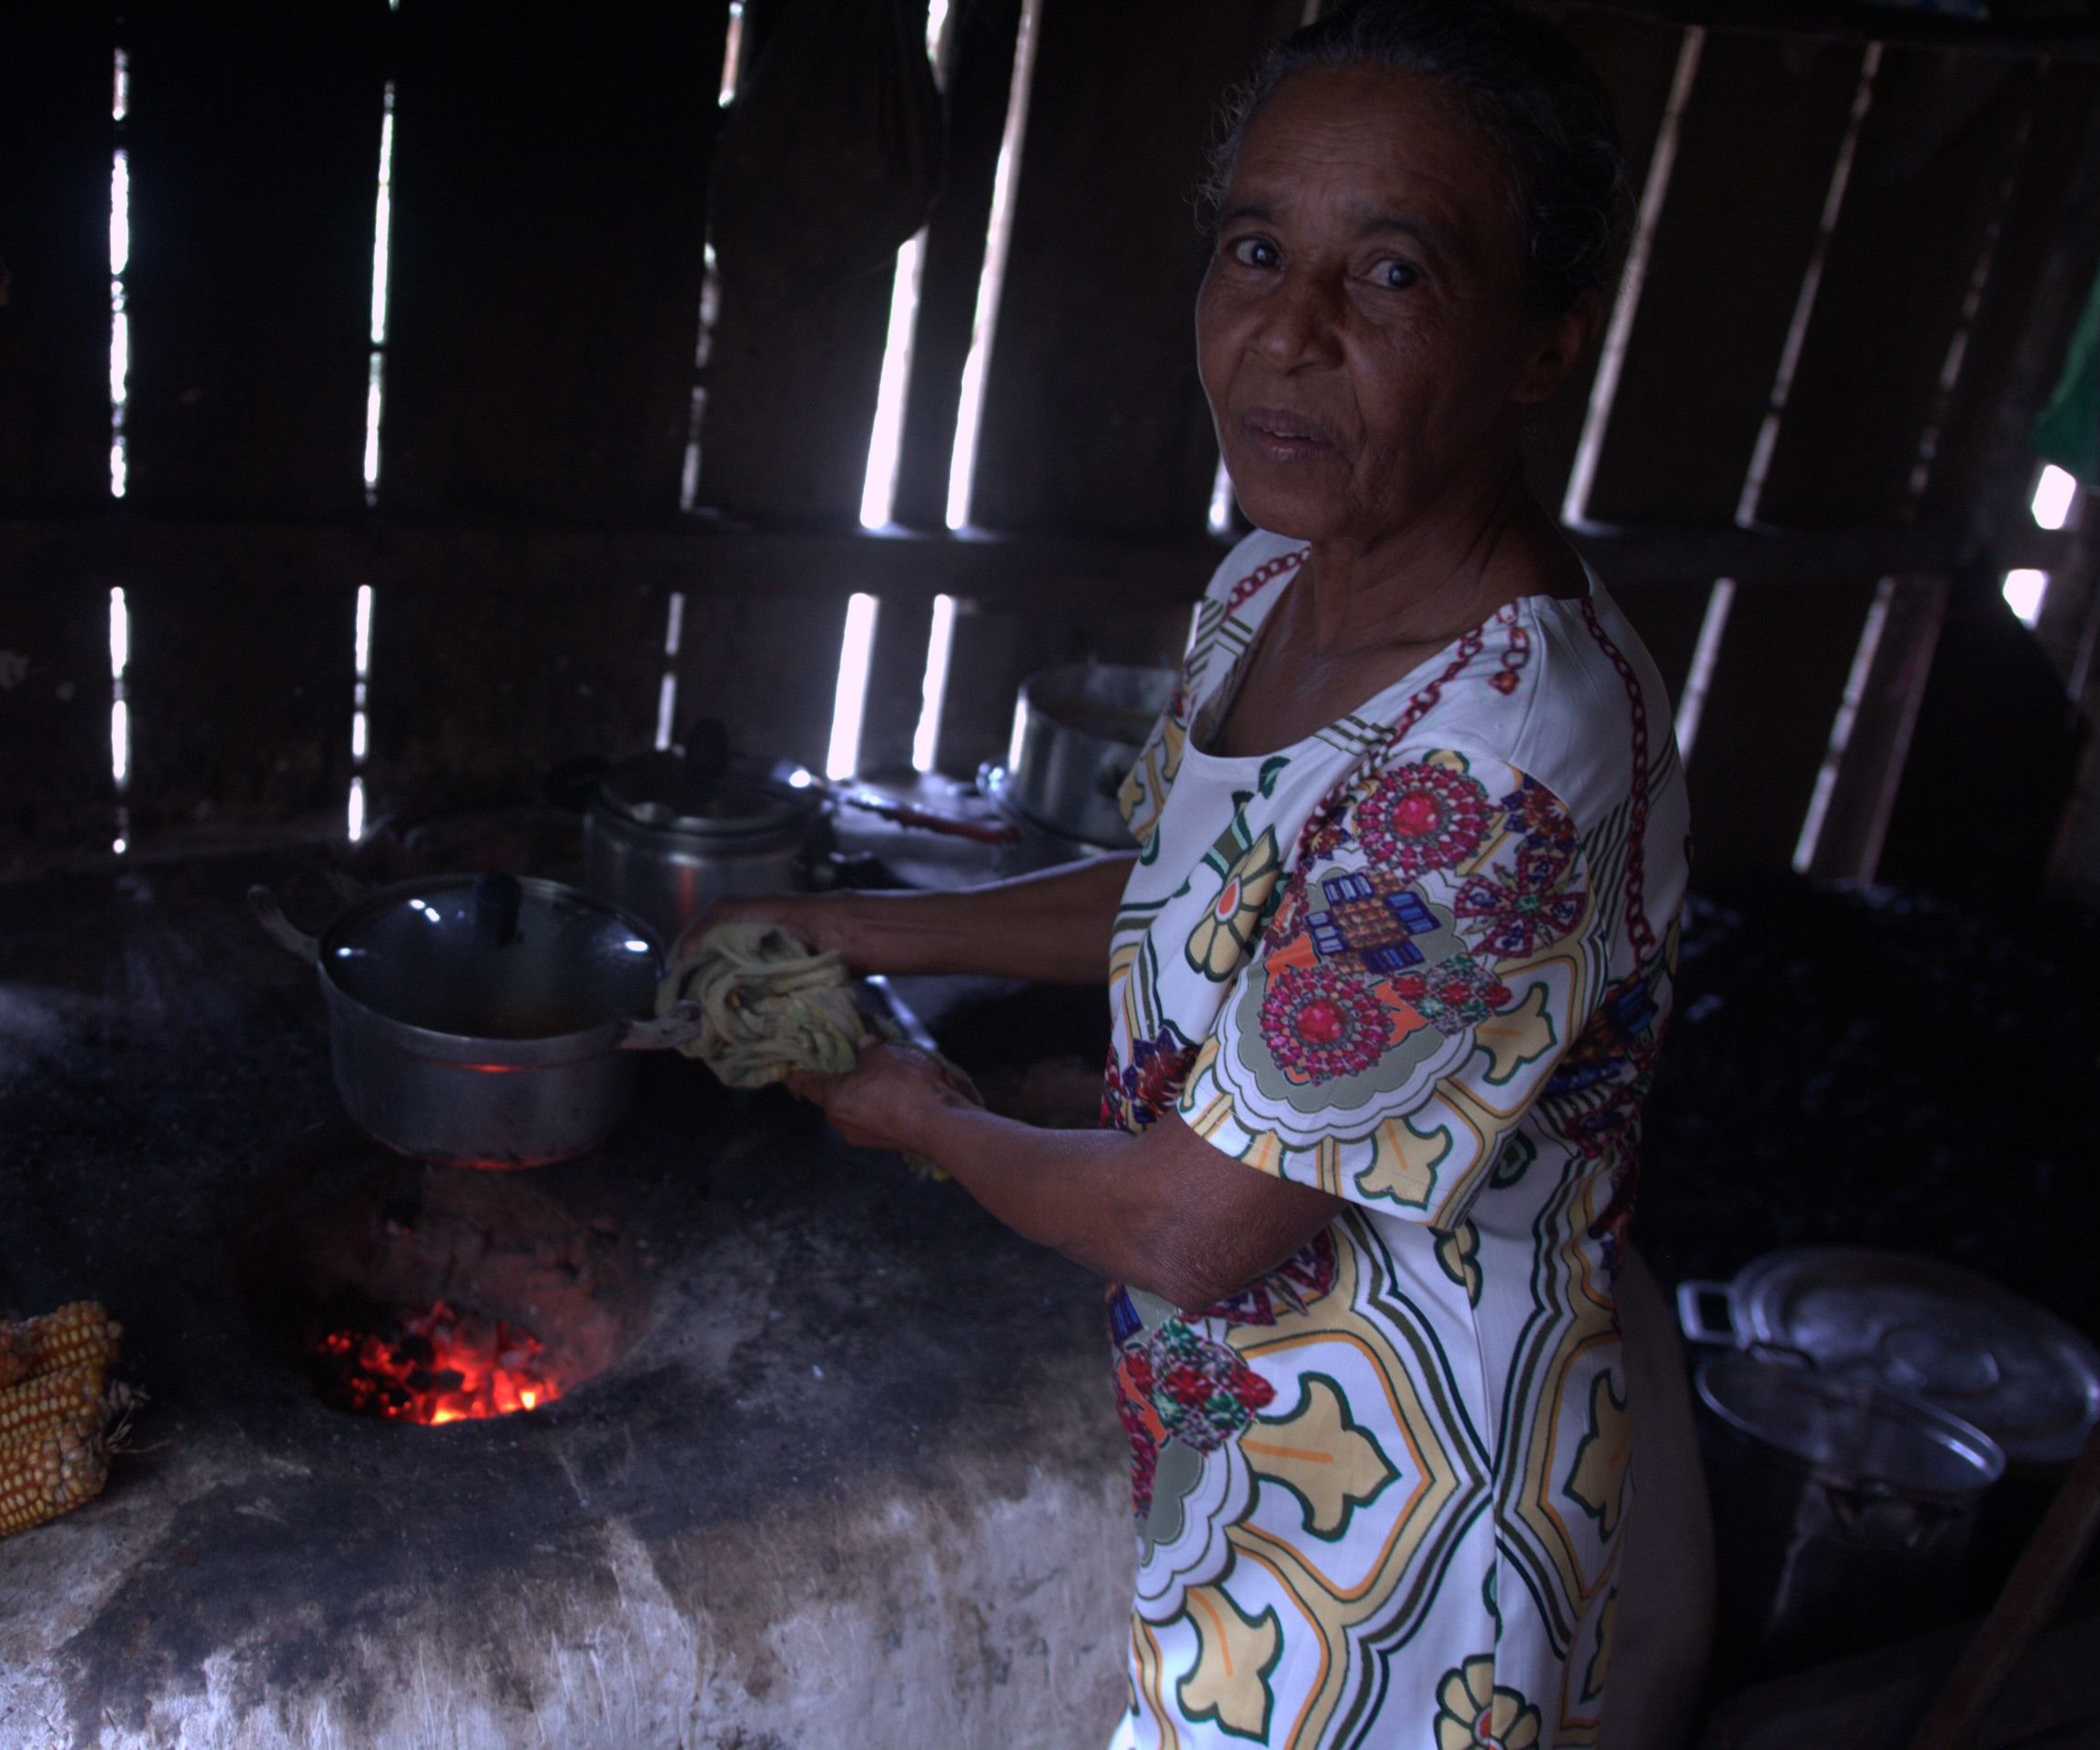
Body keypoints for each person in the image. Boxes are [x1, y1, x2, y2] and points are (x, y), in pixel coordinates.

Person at [693, 3, 1706, 1744]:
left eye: (1393, 276)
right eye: (1256, 249)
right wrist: (849, 916)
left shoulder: (1506, 753)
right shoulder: (1270, 585)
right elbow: (1187, 891)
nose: (1287, 332)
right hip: (1249, 1449)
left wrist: (911, 1106)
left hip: (1404, 1529)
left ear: (1546, 345)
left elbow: (1188, 1224)